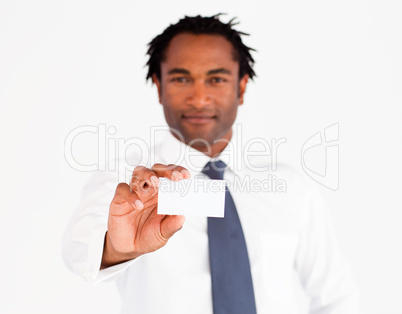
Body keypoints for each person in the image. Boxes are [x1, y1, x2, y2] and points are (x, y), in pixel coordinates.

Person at [63, 14, 359, 314]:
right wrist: (117, 247)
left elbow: (335, 294)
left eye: (216, 79)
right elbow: (78, 250)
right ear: (159, 86)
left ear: (241, 88)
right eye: (181, 79)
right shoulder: (128, 183)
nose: (199, 98)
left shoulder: (290, 187)